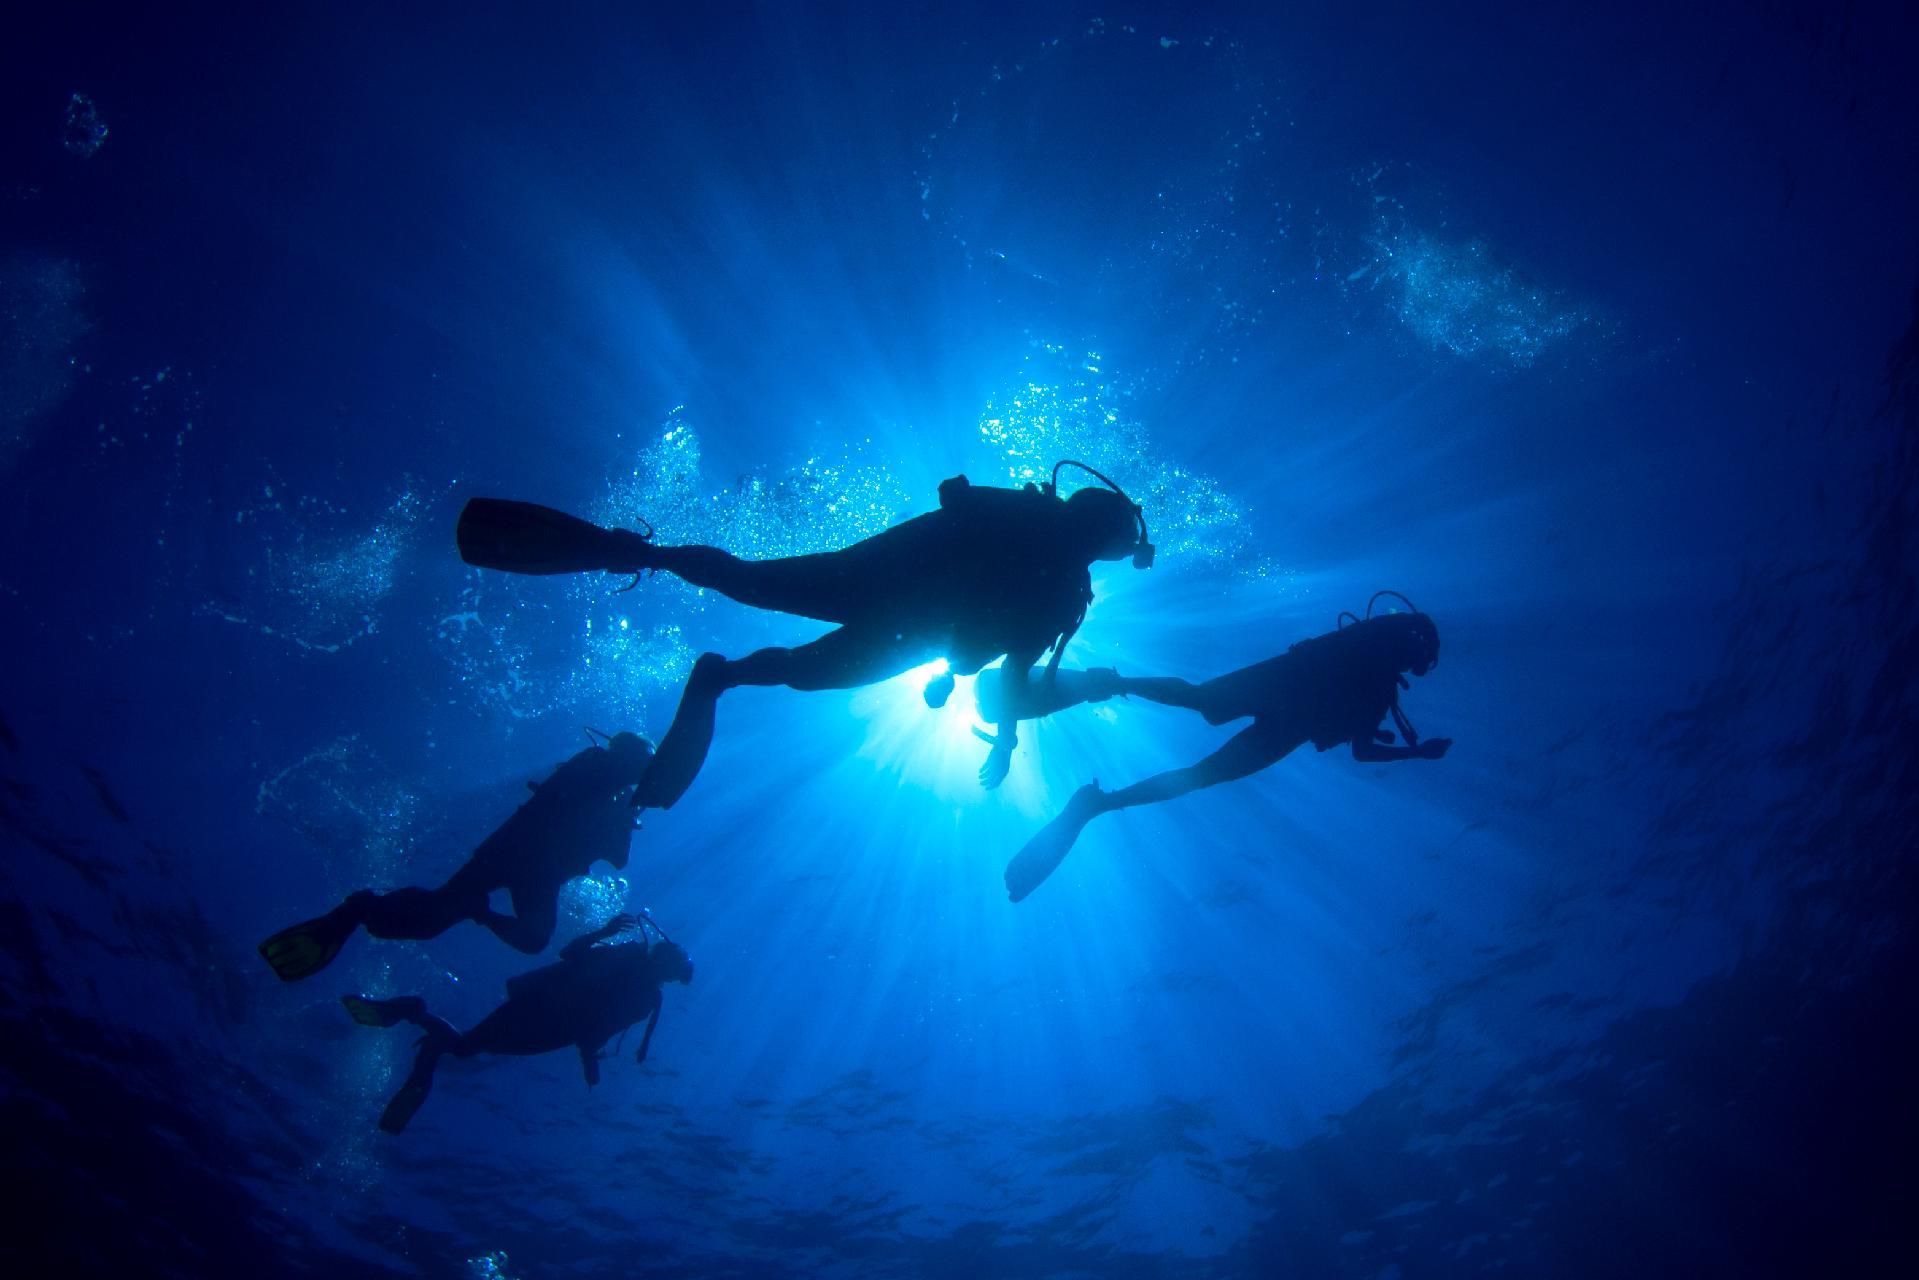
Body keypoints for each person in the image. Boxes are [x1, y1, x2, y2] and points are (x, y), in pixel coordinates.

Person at [456, 460, 1155, 805]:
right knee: (794, 651)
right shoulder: (1065, 587)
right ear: (1112, 545)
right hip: (904, 624)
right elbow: (1011, 675)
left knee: (767, 604)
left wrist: (991, 719)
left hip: (886, 594)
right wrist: (1002, 741)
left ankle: (649, 562)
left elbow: (953, 504)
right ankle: (710, 656)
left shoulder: (1041, 545)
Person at [999, 596, 1454, 902]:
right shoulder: (1377, 679)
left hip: (1282, 691)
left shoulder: (1373, 674)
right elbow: (1364, 752)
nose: (1416, 668)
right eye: (1420, 661)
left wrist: (1415, 752)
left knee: (1201, 719)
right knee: (1202, 755)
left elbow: (1360, 750)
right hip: (1289, 708)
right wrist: (1417, 753)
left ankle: (1111, 706)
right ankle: (1100, 795)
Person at [257, 731, 655, 981]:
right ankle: (360, 908)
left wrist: (629, 814)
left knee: (528, 938)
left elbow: (615, 855)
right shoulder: (597, 773)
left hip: (537, 871)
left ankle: (453, 909)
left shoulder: (613, 791)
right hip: (514, 853)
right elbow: (613, 850)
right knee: (435, 918)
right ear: (630, 758)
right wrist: (628, 813)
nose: (643, 774)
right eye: (642, 765)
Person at [341, 913, 695, 1134]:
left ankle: (417, 1019)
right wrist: (589, 1061)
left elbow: (571, 961)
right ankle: (415, 1016)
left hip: (538, 1010)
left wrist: (603, 932)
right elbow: (598, 1027)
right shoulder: (639, 987)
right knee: (465, 1048)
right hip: (546, 1024)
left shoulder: (630, 968)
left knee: (465, 1047)